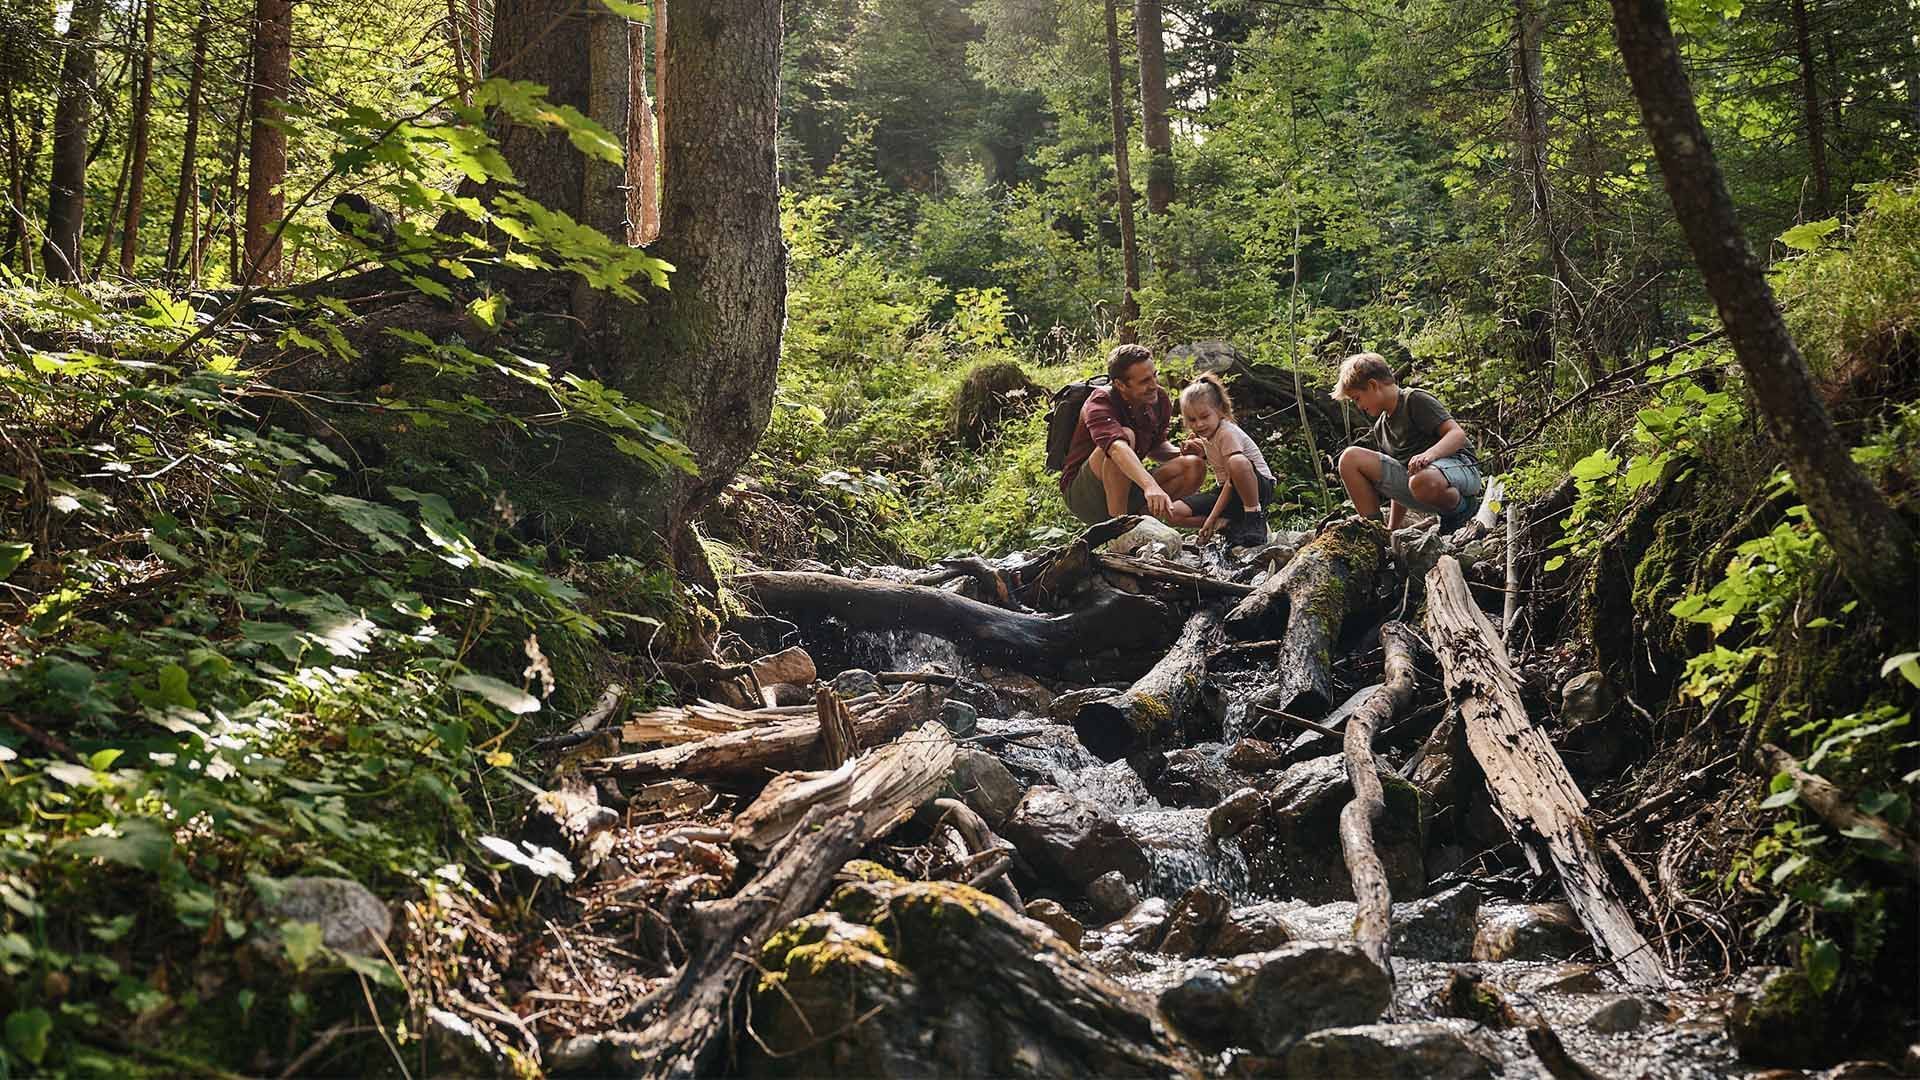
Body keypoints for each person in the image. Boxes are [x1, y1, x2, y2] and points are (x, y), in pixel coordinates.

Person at [1332, 352, 1483, 531]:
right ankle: (1375, 532)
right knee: (1350, 458)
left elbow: (1457, 434)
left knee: (1421, 480)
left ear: (1373, 385)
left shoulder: (1414, 400)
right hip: (1420, 484)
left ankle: (1462, 511)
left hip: (1461, 470)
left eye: (1357, 398)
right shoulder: (1381, 427)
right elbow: (1396, 485)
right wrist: (1392, 529)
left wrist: (1429, 455)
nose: (1358, 406)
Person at [1059, 344, 1206, 524]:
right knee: (1125, 436)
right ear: (1120, 384)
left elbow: (1157, 447)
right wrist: (1150, 485)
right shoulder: (1100, 401)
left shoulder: (1158, 398)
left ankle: (1141, 524)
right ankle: (1119, 529)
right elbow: (1116, 448)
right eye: (1144, 381)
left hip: (1126, 485)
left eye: (1155, 376)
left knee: (1194, 466)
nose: (1154, 385)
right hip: (1084, 496)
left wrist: (1180, 451)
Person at [1164, 373, 1273, 547]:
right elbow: (1220, 465)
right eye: (1192, 420)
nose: (1199, 424)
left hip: (1258, 488)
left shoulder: (1227, 433)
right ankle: (1231, 525)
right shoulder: (1207, 436)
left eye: (1204, 417)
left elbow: (1232, 479)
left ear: (1220, 411)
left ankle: (1254, 517)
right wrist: (1199, 450)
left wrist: (1211, 518)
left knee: (1237, 461)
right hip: (1228, 492)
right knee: (1173, 512)